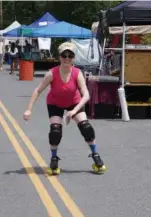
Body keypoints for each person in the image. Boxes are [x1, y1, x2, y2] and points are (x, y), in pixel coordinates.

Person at [23, 42, 106, 175]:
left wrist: (74, 111)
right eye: (64, 55)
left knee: (86, 127)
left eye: (70, 55)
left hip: (74, 103)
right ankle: (54, 159)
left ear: (74, 58)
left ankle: (95, 155)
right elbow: (37, 91)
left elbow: (86, 95)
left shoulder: (77, 73)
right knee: (55, 131)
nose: (67, 58)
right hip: (55, 103)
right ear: (59, 57)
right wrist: (28, 109)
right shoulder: (51, 73)